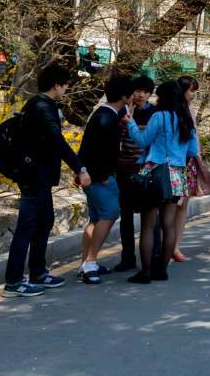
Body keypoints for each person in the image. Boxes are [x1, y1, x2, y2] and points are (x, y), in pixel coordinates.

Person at [1, 66, 89, 297]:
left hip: (41, 177)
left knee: (44, 222)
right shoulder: (41, 108)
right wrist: (79, 167)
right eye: (66, 85)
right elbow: (56, 141)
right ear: (56, 85)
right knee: (27, 228)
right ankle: (13, 282)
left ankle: (38, 272)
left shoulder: (43, 106)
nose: (67, 89)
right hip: (33, 177)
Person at [122, 80, 200, 284]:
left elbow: (142, 140)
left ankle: (145, 272)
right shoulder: (185, 119)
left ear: (163, 97)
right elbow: (192, 151)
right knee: (169, 224)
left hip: (156, 173)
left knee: (148, 224)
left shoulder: (159, 116)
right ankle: (162, 270)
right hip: (177, 175)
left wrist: (130, 123)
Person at [75, 76, 134, 284]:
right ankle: (90, 263)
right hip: (101, 177)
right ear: (125, 96)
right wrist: (105, 177)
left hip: (90, 175)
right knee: (109, 214)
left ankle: (85, 262)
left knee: (96, 218)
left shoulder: (102, 114)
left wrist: (81, 170)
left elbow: (85, 147)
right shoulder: (107, 119)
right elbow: (102, 152)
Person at [112, 76, 156, 273]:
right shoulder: (122, 112)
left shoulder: (155, 114)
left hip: (146, 170)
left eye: (145, 92)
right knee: (126, 214)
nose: (140, 95)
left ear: (149, 94)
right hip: (125, 168)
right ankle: (127, 256)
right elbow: (117, 138)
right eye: (137, 91)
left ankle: (153, 256)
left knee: (150, 216)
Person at [170, 76, 202, 262]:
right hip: (173, 165)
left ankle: (175, 247)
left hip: (188, 164)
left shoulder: (191, 110)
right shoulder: (168, 110)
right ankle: (166, 246)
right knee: (169, 207)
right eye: (191, 90)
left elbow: (194, 140)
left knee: (182, 207)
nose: (194, 95)